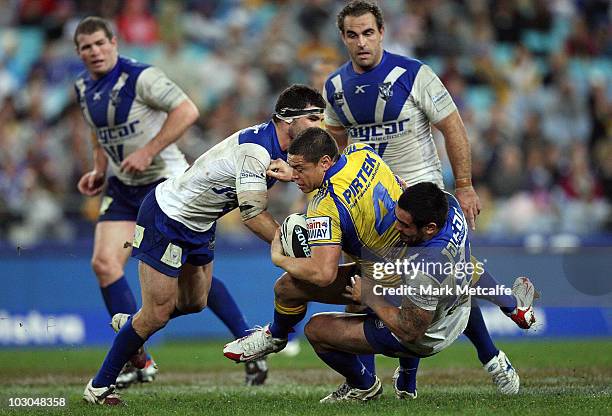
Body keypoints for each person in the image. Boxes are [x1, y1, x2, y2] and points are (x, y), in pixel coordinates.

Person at [223, 129, 535, 400]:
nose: (295, 177)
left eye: (300, 169)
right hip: (400, 261)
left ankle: (364, 382)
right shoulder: (363, 153)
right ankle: (278, 337)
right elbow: (472, 270)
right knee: (459, 279)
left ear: (325, 163)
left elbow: (323, 273)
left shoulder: (324, 206)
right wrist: (511, 304)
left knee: (305, 296)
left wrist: (281, 257)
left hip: (394, 275)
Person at [321, 0, 526, 396]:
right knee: (371, 284)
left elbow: (452, 126)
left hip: (421, 202)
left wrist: (464, 184)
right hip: (372, 208)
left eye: (368, 32)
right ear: (343, 38)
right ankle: (367, 382)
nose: (361, 41)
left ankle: (486, 358)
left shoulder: (415, 75)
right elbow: (336, 148)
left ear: (382, 32)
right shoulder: (334, 88)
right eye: (352, 34)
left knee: (444, 284)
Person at [82, 84, 326, 405]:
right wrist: (288, 246)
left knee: (196, 301)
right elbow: (252, 214)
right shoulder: (256, 150)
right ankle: (99, 387)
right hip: (168, 217)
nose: (320, 126)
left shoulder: (283, 149)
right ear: (287, 119)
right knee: (156, 315)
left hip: (200, 222)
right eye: (313, 118)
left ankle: (131, 325)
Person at [74, 16, 269, 388]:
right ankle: (137, 358)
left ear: (114, 42)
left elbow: (187, 111)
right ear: (79, 53)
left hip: (166, 186)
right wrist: (99, 168)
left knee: (192, 284)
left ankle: (248, 341)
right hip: (122, 185)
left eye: (100, 43)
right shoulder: (83, 86)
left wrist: (148, 151)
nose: (95, 51)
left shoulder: (140, 78)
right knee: (103, 264)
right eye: (86, 47)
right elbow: (99, 132)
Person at [305, 182, 475, 402]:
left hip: (429, 334)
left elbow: (411, 329)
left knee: (316, 329)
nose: (397, 227)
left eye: (405, 225)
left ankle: (363, 386)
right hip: (457, 308)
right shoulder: (448, 204)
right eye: (398, 218)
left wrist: (370, 295)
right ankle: (406, 380)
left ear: (430, 228)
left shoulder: (425, 267)